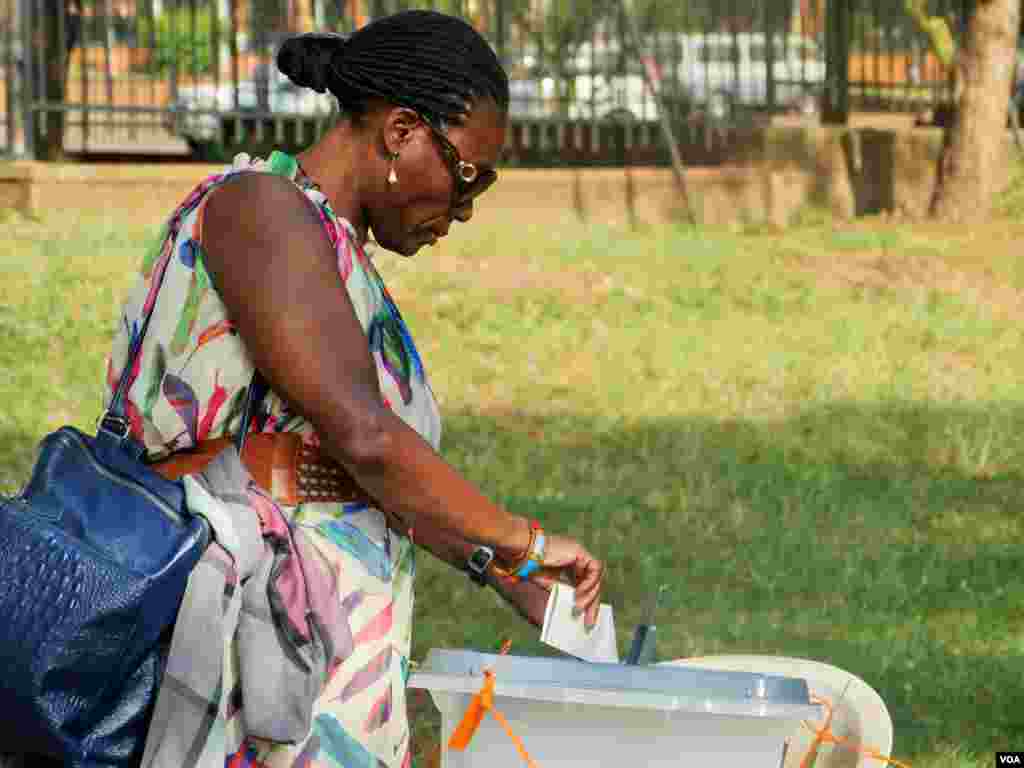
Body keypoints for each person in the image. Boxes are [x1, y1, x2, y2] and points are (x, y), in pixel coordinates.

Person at [103, 10, 605, 767]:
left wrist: (506, 570)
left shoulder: (338, 253)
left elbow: (353, 477)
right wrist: (523, 536)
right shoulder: (260, 210)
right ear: (401, 130)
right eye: (468, 173)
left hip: (322, 642)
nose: (466, 208)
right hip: (243, 635)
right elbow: (364, 436)